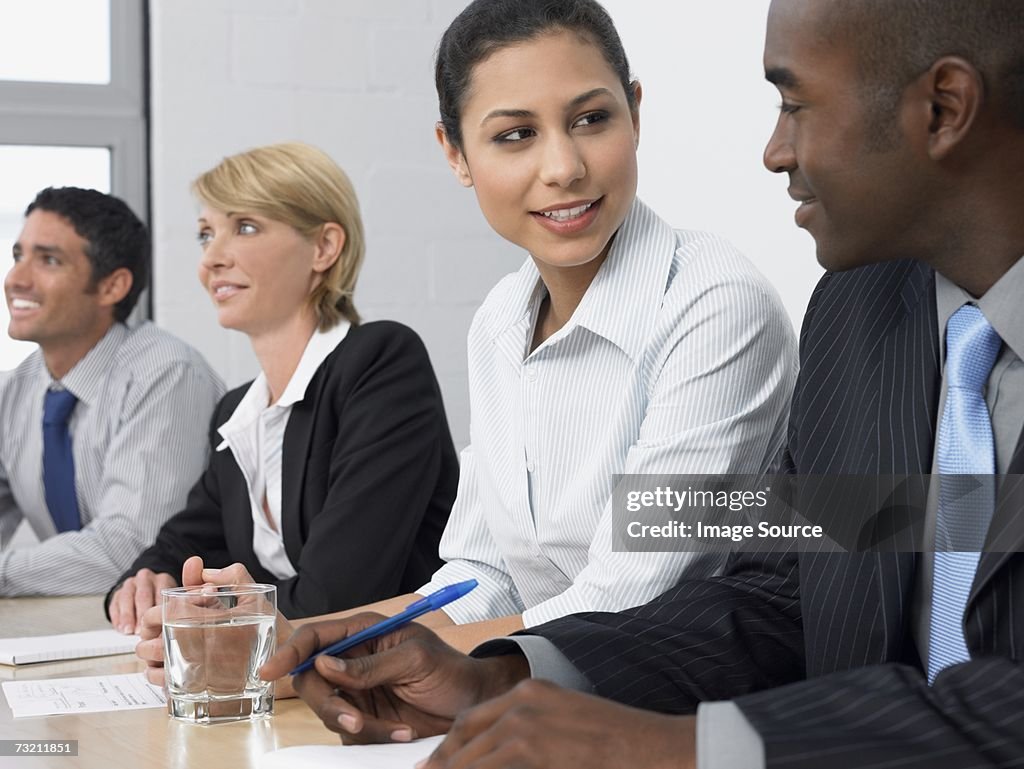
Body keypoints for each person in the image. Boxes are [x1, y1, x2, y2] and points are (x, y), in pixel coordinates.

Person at [261, 0, 1024, 766]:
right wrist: (497, 674)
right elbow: (782, 593)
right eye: (515, 132)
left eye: (794, 105)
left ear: (944, 108)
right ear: (455, 152)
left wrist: (682, 744)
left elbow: (639, 581)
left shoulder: (722, 301)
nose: (772, 151)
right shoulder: (863, 310)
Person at [106, 143, 458, 632]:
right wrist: (144, 581)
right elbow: (179, 546)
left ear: (324, 248)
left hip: (406, 680)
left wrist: (209, 614)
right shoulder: (240, 412)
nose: (212, 259)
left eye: (244, 227)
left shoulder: (379, 363)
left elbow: (341, 594)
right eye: (205, 235)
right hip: (301, 684)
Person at [0, 187, 223, 597]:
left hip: (187, 629)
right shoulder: (15, 390)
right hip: (82, 624)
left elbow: (129, 549)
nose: (16, 279)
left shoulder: (167, 374)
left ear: (112, 286)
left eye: (48, 260)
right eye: (18, 256)